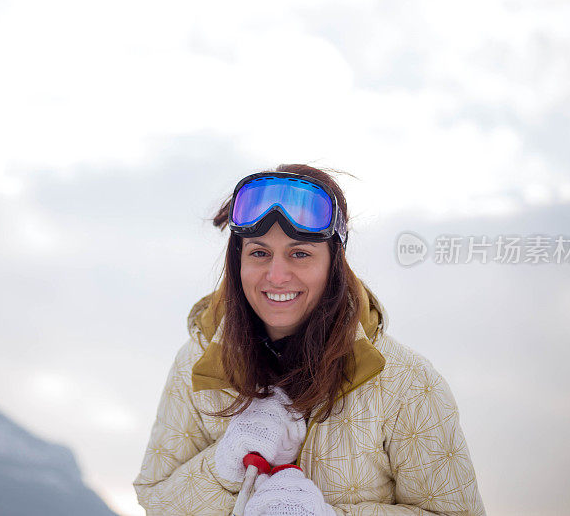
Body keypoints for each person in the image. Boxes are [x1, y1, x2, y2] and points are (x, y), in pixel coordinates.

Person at [134, 164, 485, 515]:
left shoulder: (406, 383)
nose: (277, 276)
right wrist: (222, 467)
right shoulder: (197, 364)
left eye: (300, 254)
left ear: (334, 261)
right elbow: (155, 499)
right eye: (259, 253)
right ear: (237, 260)